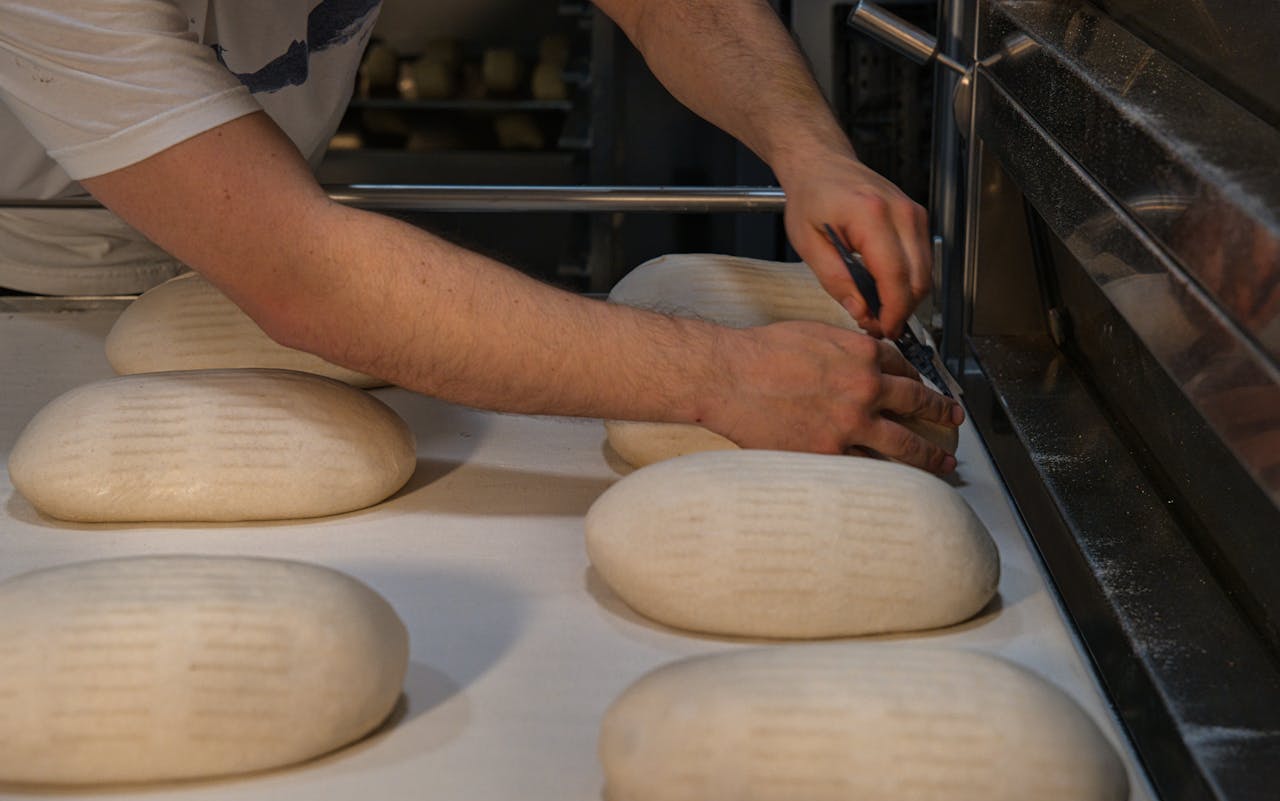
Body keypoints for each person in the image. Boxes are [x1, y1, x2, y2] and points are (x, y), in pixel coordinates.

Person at [0, 0, 963, 473]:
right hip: (34, 289)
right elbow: (304, 274)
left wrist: (808, 145)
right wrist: (722, 376)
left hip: (241, 246)